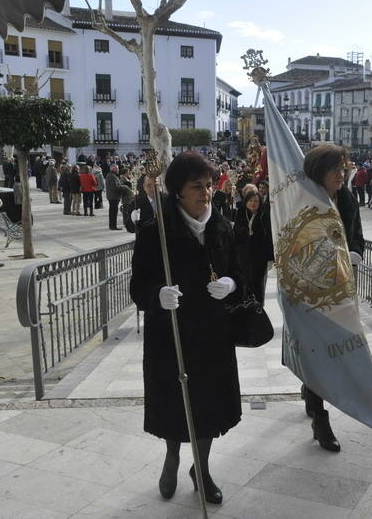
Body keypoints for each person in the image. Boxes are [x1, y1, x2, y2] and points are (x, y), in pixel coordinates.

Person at [129, 152, 244, 504]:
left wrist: (230, 283)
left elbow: (241, 272)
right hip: (171, 335)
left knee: (208, 406)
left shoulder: (222, 226)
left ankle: (202, 468)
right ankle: (172, 456)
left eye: (209, 185)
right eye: (197, 187)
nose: (206, 193)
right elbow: (137, 286)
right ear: (178, 190)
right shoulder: (156, 231)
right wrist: (156, 295)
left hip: (212, 335)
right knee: (176, 404)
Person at [298, 144, 365, 452]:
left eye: (344, 168)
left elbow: (358, 235)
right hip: (309, 292)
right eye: (335, 169)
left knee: (330, 352)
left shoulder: (348, 199)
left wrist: (356, 254)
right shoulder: (304, 202)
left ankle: (312, 391)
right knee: (315, 351)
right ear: (318, 172)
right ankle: (321, 420)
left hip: (340, 288)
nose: (342, 174)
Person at [233, 190, 274, 305]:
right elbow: (236, 233)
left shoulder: (264, 215)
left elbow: (269, 236)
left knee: (258, 284)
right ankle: (244, 306)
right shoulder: (241, 213)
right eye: (250, 200)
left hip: (259, 257)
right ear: (246, 202)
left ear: (260, 202)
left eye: (256, 201)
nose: (253, 203)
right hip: (243, 255)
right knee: (244, 283)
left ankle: (258, 306)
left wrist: (270, 257)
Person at [105, 164, 123, 230]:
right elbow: (114, 187)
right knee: (113, 212)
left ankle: (112, 225)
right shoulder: (112, 176)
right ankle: (113, 226)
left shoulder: (112, 175)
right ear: (113, 169)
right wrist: (122, 187)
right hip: (113, 196)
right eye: (117, 168)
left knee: (113, 211)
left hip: (112, 196)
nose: (118, 170)